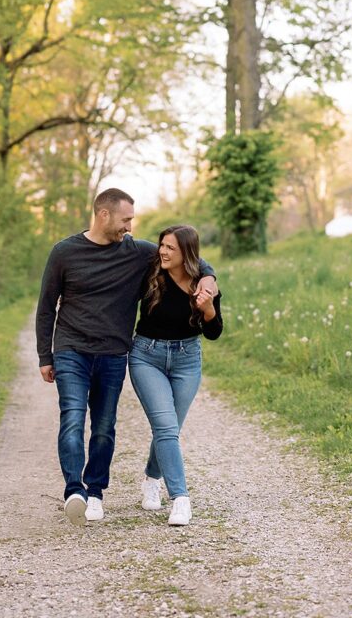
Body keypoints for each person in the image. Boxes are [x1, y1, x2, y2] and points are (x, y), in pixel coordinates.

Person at [36, 188, 217, 526]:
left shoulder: (136, 252)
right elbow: (46, 306)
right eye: (126, 219)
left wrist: (209, 278)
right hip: (71, 349)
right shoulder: (64, 252)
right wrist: (45, 354)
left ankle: (95, 492)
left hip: (113, 353)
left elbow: (186, 254)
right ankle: (74, 490)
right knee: (73, 418)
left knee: (104, 427)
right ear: (103, 215)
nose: (130, 227)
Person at [129, 224, 223, 527]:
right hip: (146, 357)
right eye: (162, 245)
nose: (163, 251)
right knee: (166, 427)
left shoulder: (203, 284)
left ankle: (151, 478)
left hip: (187, 361)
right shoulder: (151, 273)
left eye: (171, 247)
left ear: (187, 253)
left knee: (169, 428)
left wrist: (208, 308)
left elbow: (214, 332)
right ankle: (181, 498)